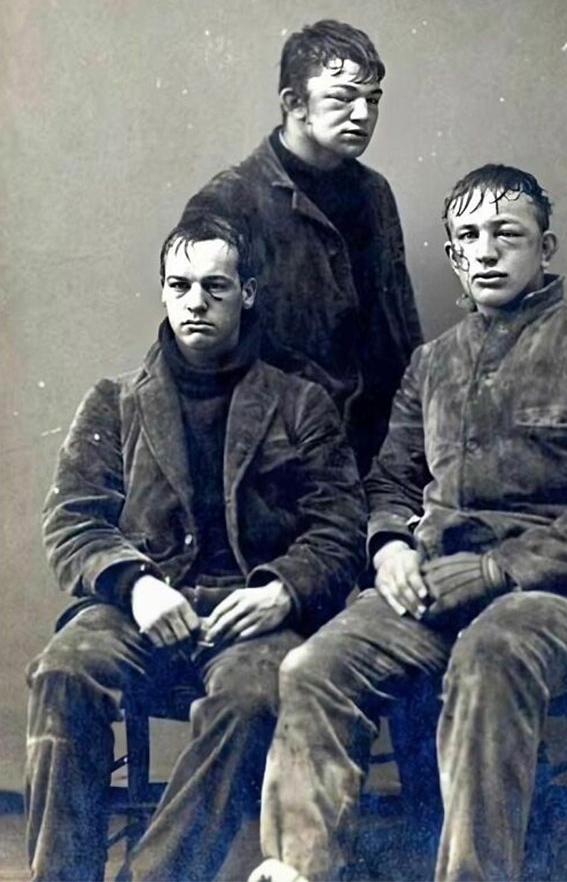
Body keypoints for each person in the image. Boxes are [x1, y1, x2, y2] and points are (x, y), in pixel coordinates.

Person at [248, 164, 567, 882]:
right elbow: (391, 480)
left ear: (545, 247)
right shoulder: (431, 365)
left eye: (508, 234)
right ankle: (299, 871)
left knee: (490, 656)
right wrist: (389, 548)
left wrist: (499, 569)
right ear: (452, 255)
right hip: (436, 589)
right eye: (469, 236)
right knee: (313, 667)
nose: (486, 251)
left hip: (565, 597)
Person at [25, 209, 366, 882]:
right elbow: (72, 520)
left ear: (248, 293)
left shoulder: (301, 404)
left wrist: (283, 590)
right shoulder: (115, 401)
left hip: (252, 620)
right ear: (162, 291)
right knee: (63, 670)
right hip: (141, 608)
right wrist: (136, 585)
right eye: (179, 285)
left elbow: (340, 527)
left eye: (215, 286)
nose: (195, 302)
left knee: (256, 696)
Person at [181, 18, 422, 474]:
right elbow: (203, 353)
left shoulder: (375, 193)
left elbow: (401, 332)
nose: (362, 115)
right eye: (342, 98)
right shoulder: (229, 202)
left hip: (379, 453)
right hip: (277, 459)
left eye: (372, 100)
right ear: (294, 103)